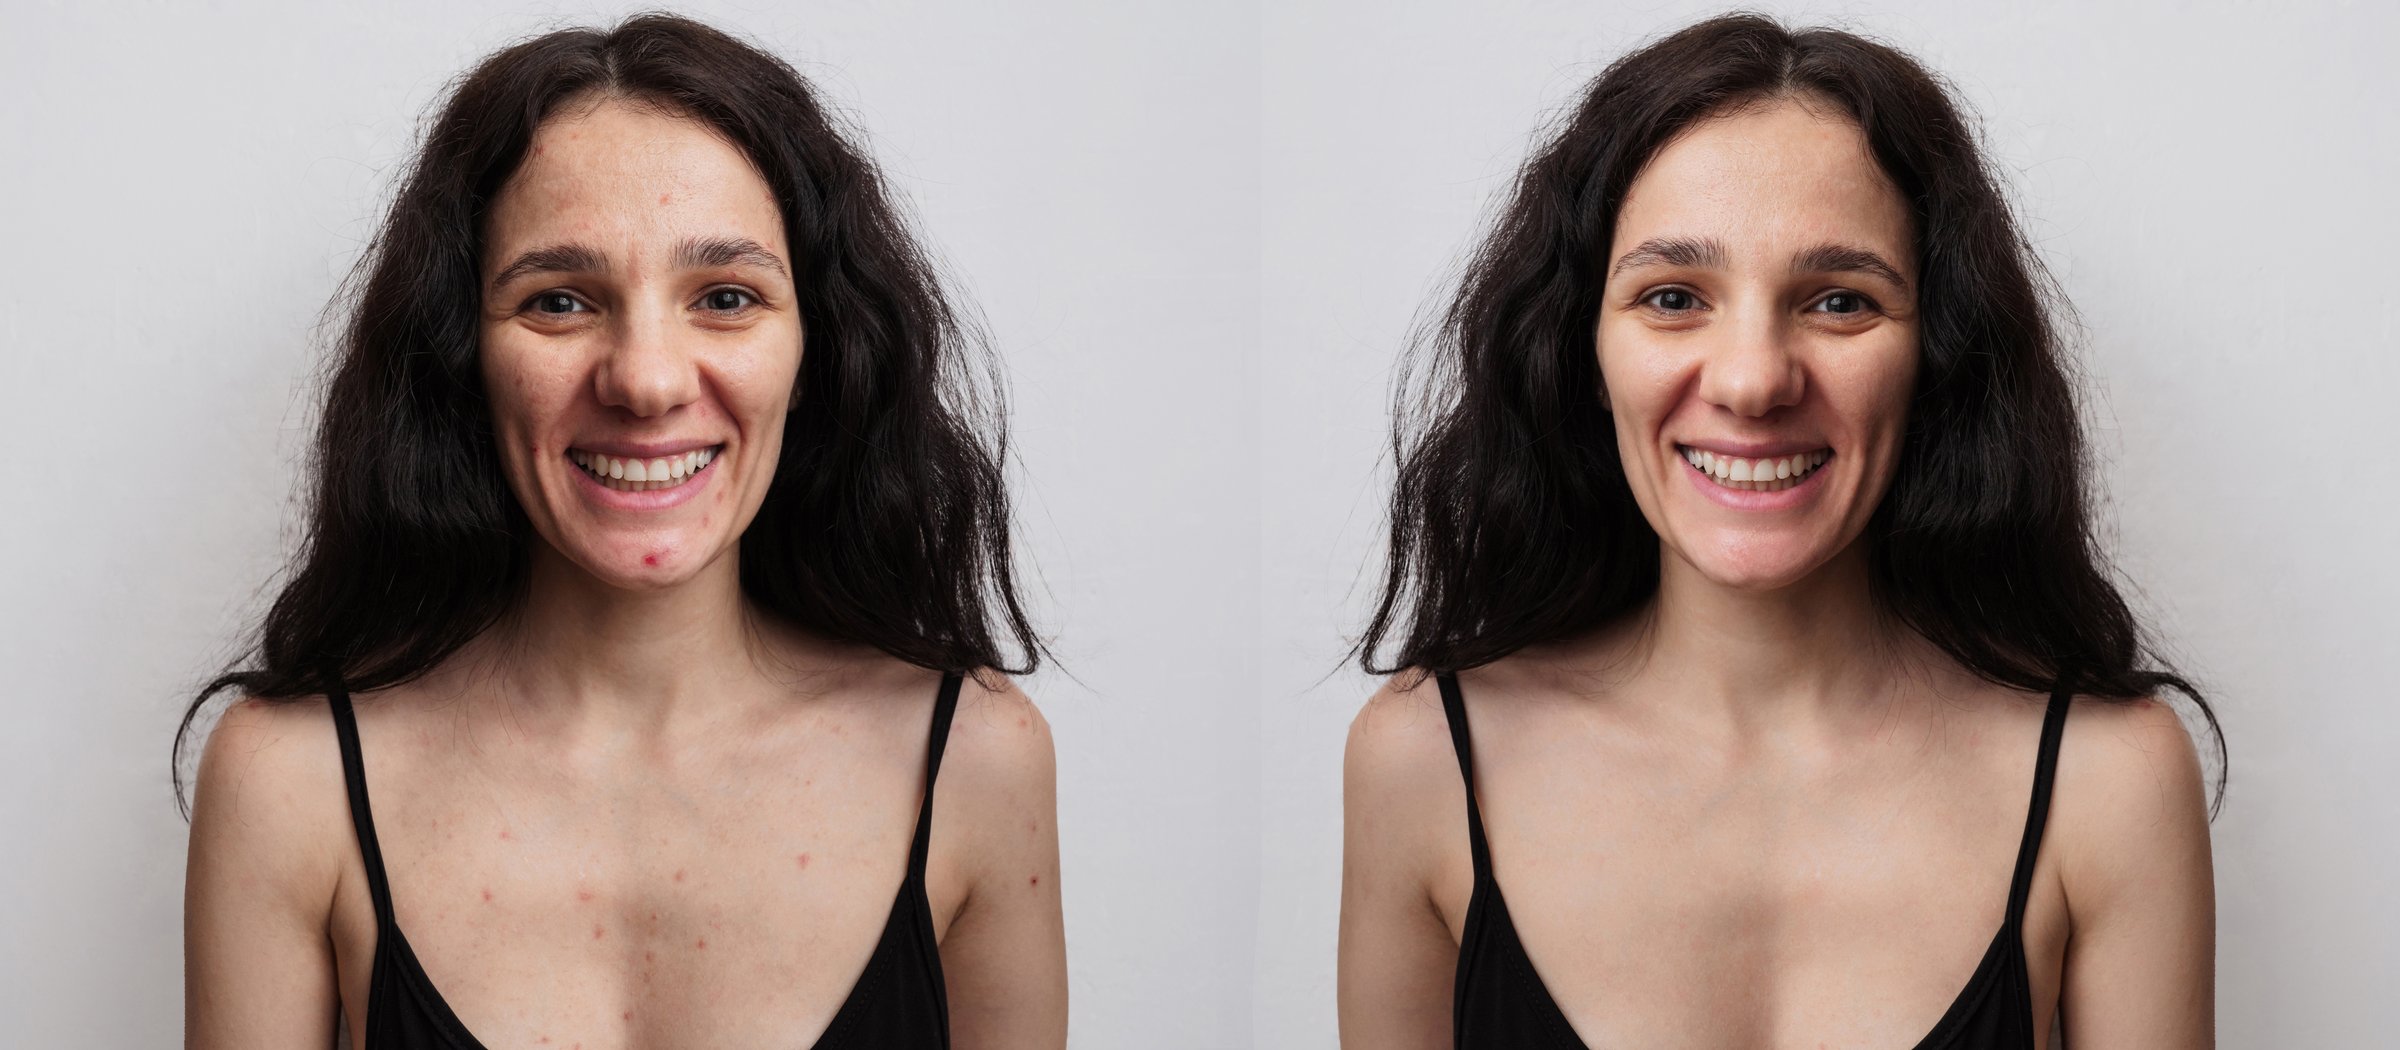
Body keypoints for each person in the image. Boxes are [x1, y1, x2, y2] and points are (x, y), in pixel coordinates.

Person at [178, 13, 1067, 1048]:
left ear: (819, 350)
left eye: (726, 297)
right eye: (559, 301)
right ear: (461, 355)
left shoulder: (975, 764)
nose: (646, 380)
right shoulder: (289, 784)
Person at [1339, 13, 2218, 1049]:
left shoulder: (2109, 783)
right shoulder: (1424, 763)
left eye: (1840, 301)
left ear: (1937, 354)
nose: (1753, 380)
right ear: (1581, 350)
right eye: (1673, 297)